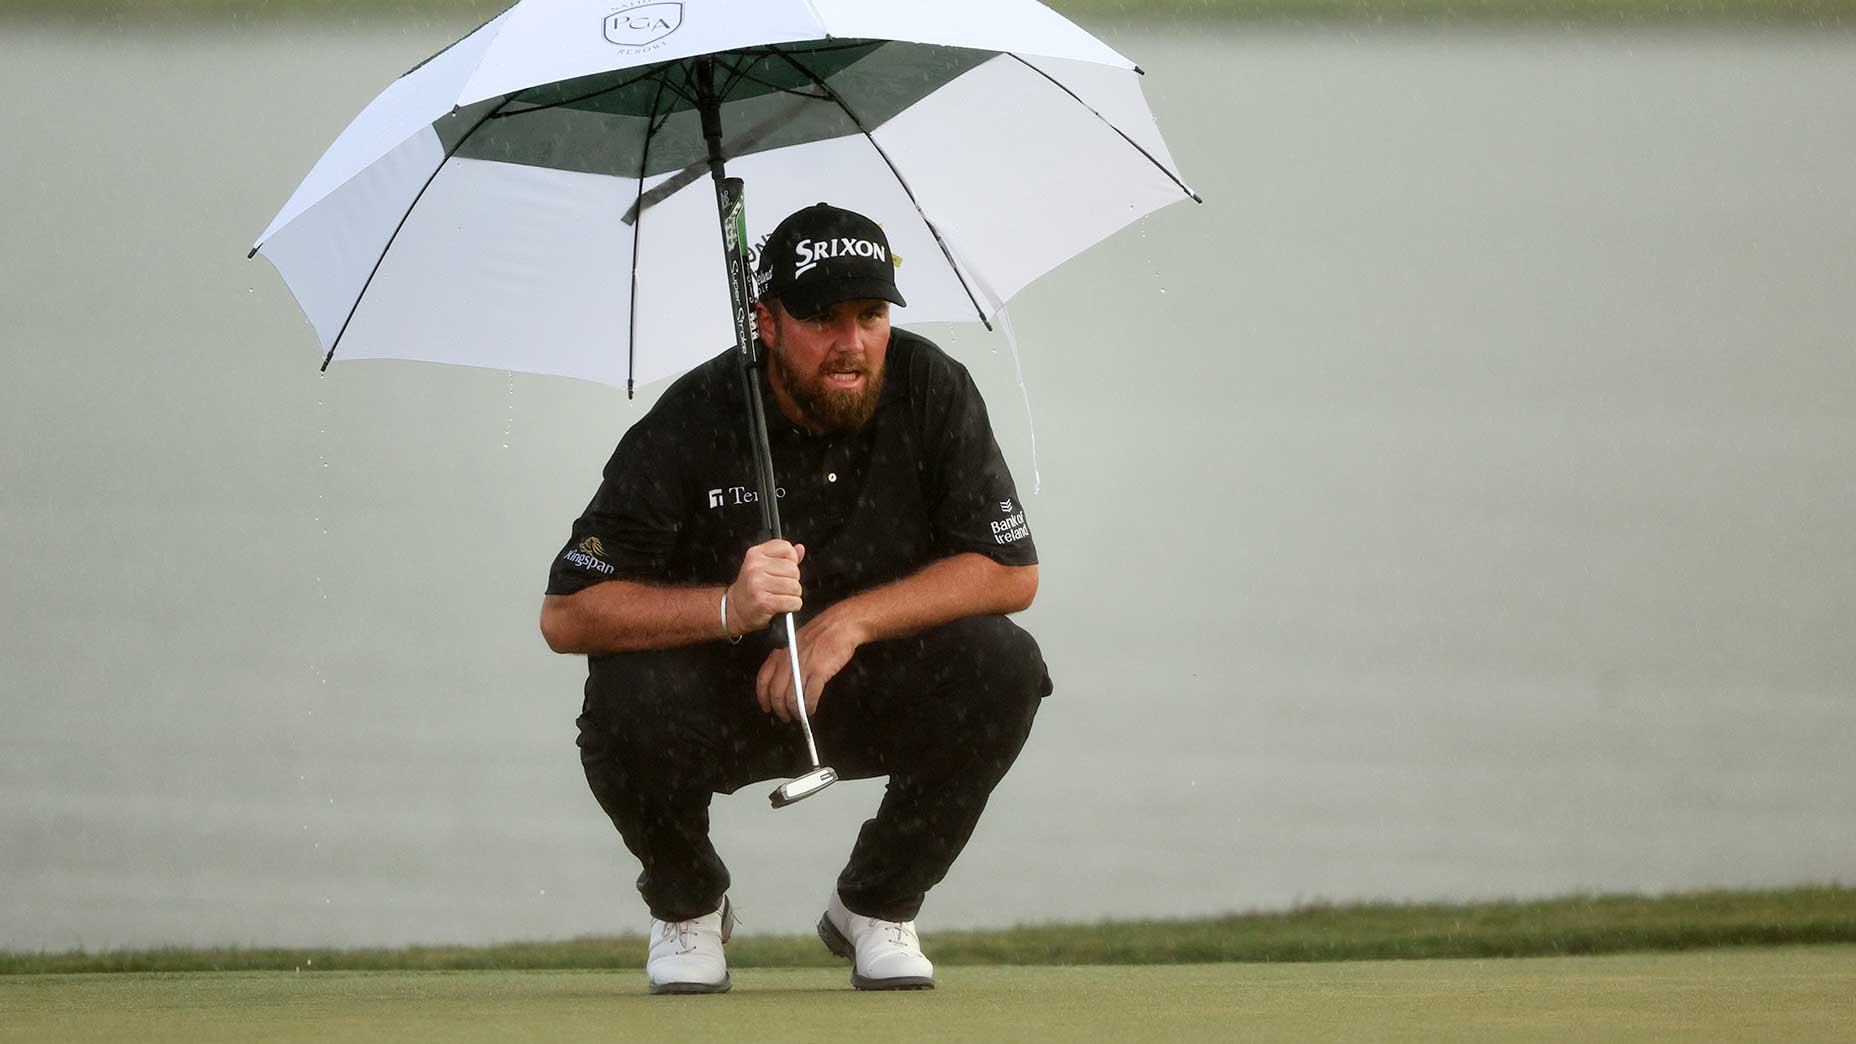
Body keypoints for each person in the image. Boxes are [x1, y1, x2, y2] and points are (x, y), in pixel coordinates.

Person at [538, 202, 1051, 994]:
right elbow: (568, 613)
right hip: (720, 694)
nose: (852, 344)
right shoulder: (696, 415)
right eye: (822, 319)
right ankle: (689, 903)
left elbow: (1010, 570)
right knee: (621, 698)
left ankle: (878, 903)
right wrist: (724, 610)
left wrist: (846, 623)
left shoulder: (931, 387)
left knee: (1005, 666)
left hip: (866, 684)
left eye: (871, 315)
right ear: (766, 322)